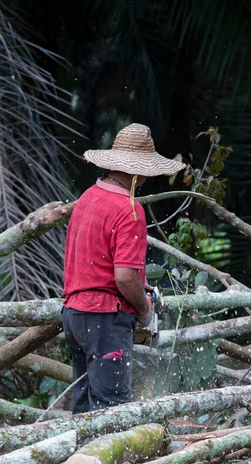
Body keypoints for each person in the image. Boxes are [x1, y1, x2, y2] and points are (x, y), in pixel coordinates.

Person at [62, 123, 185, 413]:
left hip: (73, 313)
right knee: (112, 410)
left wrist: (138, 286)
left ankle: (81, 458)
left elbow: (96, 260)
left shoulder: (87, 198)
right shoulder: (128, 209)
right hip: (104, 318)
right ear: (140, 170)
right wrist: (145, 311)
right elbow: (125, 276)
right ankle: (111, 459)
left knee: (83, 406)